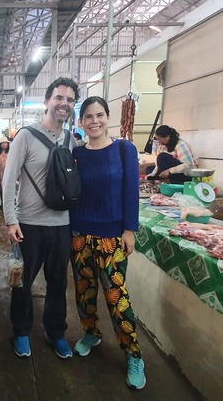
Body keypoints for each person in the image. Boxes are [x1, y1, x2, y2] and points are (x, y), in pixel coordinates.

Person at [69, 96, 145, 389]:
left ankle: (134, 354)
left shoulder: (124, 150)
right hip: (80, 233)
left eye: (99, 115)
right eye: (88, 116)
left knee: (117, 297)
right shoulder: (77, 154)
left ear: (108, 117)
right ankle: (91, 332)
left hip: (112, 236)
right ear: (81, 122)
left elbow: (131, 191)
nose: (94, 121)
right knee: (83, 291)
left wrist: (129, 230)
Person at [1, 76, 79, 359]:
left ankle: (56, 332)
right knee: (23, 280)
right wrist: (11, 220)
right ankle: (21, 331)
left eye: (69, 99)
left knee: (58, 283)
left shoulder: (71, 140)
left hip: (61, 224)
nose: (64, 103)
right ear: (47, 101)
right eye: (59, 98)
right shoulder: (25, 136)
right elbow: (9, 180)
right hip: (29, 224)